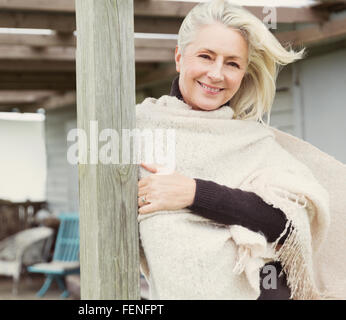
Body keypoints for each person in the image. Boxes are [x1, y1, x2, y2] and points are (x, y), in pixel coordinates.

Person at [136, 0, 331, 300]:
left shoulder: (252, 141)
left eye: (232, 63)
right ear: (179, 57)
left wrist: (194, 193)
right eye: (206, 56)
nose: (216, 74)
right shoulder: (137, 129)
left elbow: (291, 224)